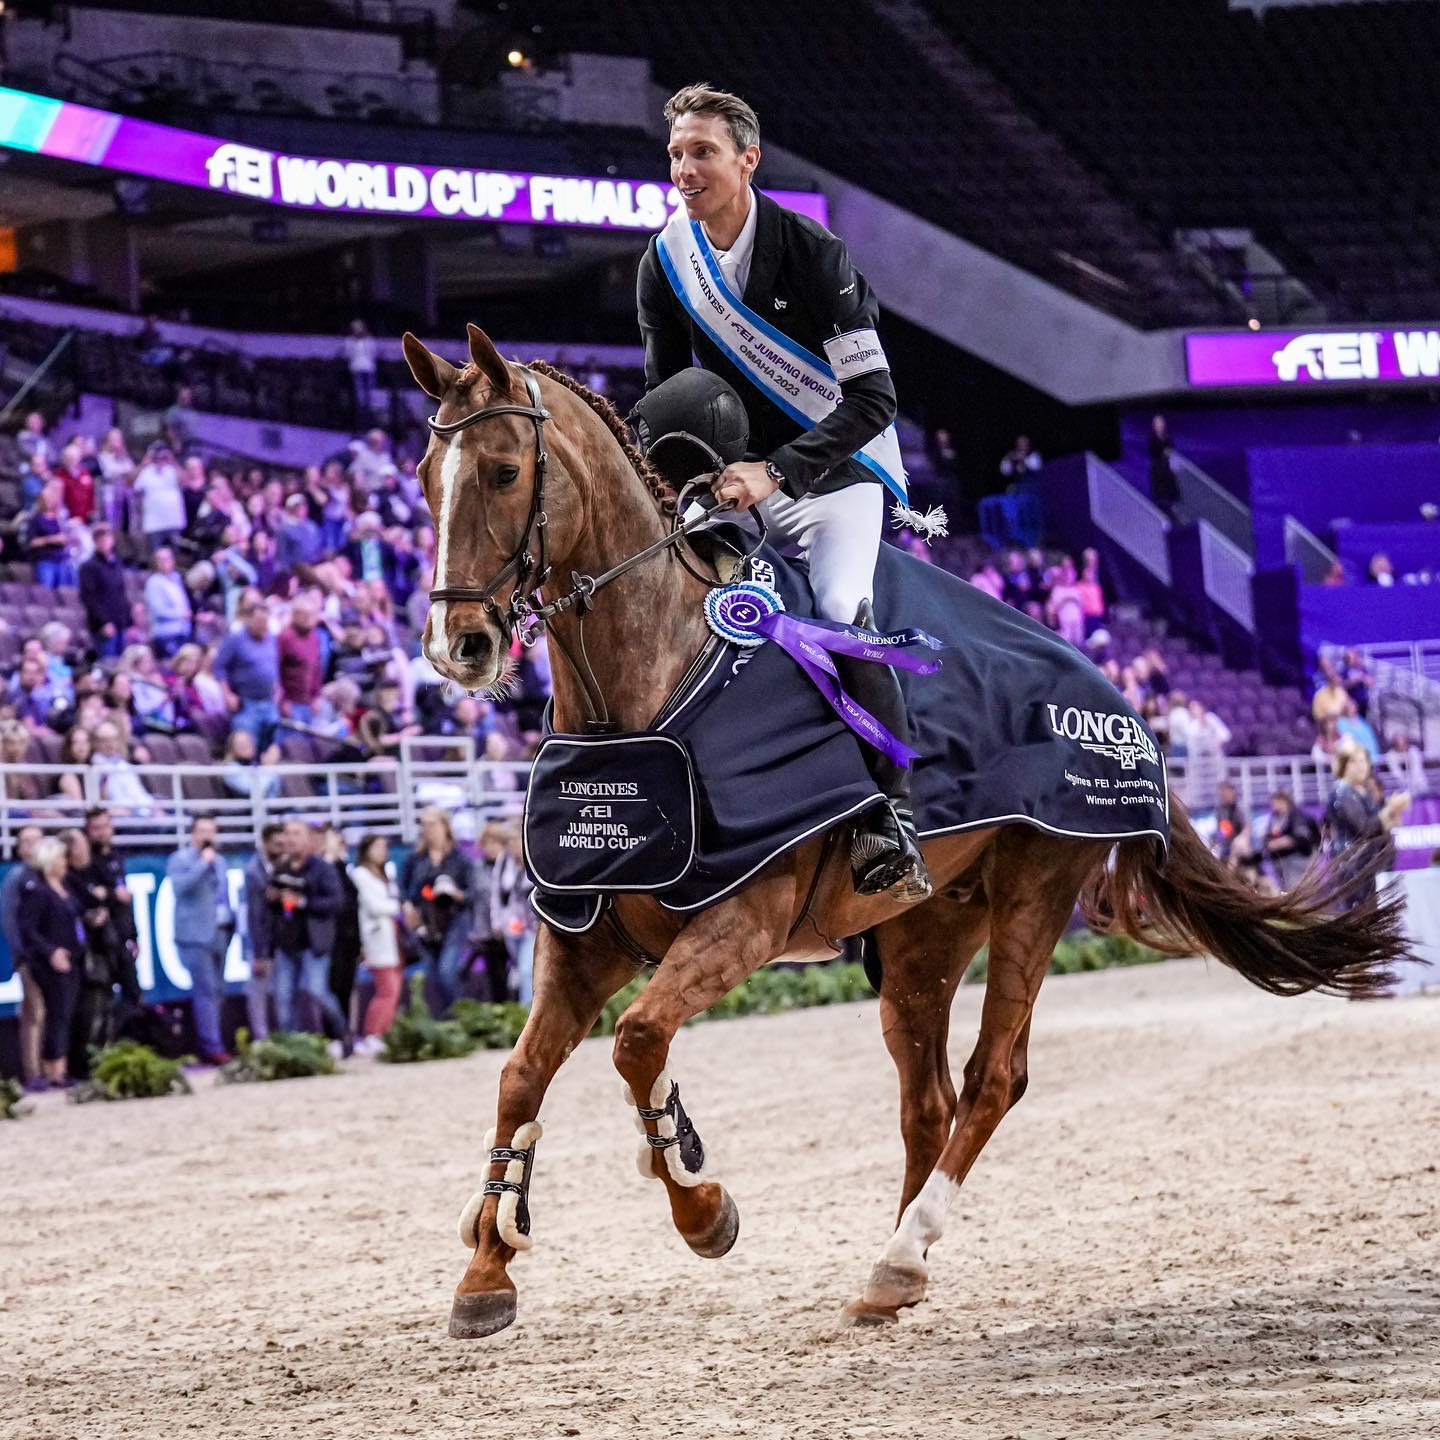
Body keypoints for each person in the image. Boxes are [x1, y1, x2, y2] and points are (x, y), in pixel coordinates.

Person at [634, 83, 927, 902]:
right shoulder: (665, 259)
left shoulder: (815, 253)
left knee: (837, 609)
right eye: (675, 154)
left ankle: (888, 816)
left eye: (702, 152)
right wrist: (692, 480)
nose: (683, 169)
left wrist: (777, 473)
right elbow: (666, 395)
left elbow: (875, 401)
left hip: (837, 471)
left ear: (747, 159)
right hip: (733, 478)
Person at [268, 820, 350, 1050]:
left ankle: (343, 1031)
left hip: (313, 943)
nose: (290, 838)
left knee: (317, 992)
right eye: (287, 833)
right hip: (286, 942)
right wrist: (274, 898)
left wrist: (303, 902)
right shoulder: (280, 868)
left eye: (296, 833)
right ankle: (290, 1049)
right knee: (283, 998)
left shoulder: (323, 869)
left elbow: (336, 902)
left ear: (309, 840)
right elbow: (272, 908)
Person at [166, 814, 235, 1065]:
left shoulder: (221, 861)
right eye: (203, 830)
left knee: (218, 990)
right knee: (205, 991)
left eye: (211, 830)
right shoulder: (181, 859)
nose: (207, 835)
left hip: (221, 930)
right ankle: (212, 1046)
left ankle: (216, 1040)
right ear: (192, 834)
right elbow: (179, 887)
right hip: (195, 934)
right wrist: (202, 864)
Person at [16, 836, 84, 1088]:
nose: (66, 861)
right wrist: (51, 952)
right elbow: (28, 928)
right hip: (49, 962)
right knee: (56, 1014)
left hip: (72, 958)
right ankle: (52, 1070)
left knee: (65, 1014)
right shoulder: (39, 891)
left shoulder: (66, 887)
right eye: (61, 857)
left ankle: (60, 1068)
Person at [400, 807, 471, 1012]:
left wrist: (455, 893)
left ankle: (460, 1016)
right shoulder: (415, 859)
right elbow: (404, 890)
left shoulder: (459, 858)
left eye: (432, 824)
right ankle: (447, 1021)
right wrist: (407, 906)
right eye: (423, 825)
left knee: (447, 971)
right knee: (432, 975)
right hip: (425, 922)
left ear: (444, 826)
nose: (427, 829)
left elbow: (472, 894)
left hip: (454, 919)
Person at [82, 807, 142, 1042]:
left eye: (104, 826)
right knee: (102, 997)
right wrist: (112, 894)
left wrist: (134, 935)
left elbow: (125, 902)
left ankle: (118, 1042)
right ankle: (103, 1046)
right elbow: (91, 894)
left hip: (121, 936)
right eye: (95, 828)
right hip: (100, 943)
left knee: (133, 994)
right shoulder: (86, 861)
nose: (100, 832)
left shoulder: (116, 856)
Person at [1, 825, 48, 1092]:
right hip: (29, 956)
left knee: (44, 1012)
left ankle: (46, 1067)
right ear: (19, 848)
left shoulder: (45, 874)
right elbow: (9, 919)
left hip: (46, 954)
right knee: (34, 1012)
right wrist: (21, 954)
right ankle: (32, 1071)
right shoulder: (17, 877)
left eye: (37, 840)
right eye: (26, 841)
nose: (32, 846)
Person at [351, 833, 403, 1053]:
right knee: (387, 989)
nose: (383, 851)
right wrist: (397, 906)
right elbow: (375, 906)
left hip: (393, 936)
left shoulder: (386, 874)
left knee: (395, 988)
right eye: (378, 847)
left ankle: (384, 1030)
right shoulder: (360, 874)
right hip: (377, 938)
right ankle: (372, 1032)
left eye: (384, 847)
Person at [240, 822, 286, 1043]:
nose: (282, 848)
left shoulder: (286, 866)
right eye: (277, 844)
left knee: (283, 992)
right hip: (263, 939)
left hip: (284, 938)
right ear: (265, 844)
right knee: (258, 991)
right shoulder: (254, 871)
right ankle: (261, 1039)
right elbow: (255, 916)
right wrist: (259, 952)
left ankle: (285, 1038)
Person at [214, 601, 280, 749]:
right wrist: (227, 694)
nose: (263, 624)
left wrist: (277, 689)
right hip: (245, 705)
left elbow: (274, 667)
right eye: (259, 621)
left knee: (270, 748)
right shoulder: (235, 639)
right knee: (247, 747)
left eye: (265, 620)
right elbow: (219, 667)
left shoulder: (271, 640)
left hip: (269, 703)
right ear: (249, 619)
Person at [320, 825, 362, 1027]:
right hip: (331, 939)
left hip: (350, 937)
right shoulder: (322, 868)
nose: (339, 841)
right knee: (332, 987)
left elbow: (353, 904)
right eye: (333, 837)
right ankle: (335, 1033)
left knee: (346, 987)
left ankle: (346, 1032)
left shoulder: (343, 868)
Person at [79, 523, 132, 659]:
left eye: (107, 538)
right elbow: (89, 598)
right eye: (100, 540)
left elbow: (121, 593)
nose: (104, 543)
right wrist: (103, 622)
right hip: (104, 626)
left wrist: (128, 620)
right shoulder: (88, 567)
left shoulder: (116, 564)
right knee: (108, 663)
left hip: (120, 623)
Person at [278, 594, 325, 725]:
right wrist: (282, 700)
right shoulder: (285, 637)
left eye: (312, 614)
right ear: (294, 615)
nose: (308, 618)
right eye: (303, 614)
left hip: (309, 703)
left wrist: (317, 696)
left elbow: (316, 667)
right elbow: (275, 670)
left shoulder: (314, 636)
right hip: (291, 703)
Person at [1259, 791, 1319, 892]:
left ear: (1284, 801)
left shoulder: (1296, 815)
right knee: (1285, 889)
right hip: (1280, 860)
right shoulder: (1275, 817)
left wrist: (1277, 843)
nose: (1272, 805)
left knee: (1296, 890)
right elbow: (1271, 834)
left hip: (1297, 858)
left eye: (1275, 802)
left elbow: (1300, 837)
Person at [133, 443, 186, 552]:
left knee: (175, 557)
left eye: (163, 455)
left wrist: (172, 460)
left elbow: (185, 481)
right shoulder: (146, 471)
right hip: (153, 524)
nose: (160, 458)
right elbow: (130, 483)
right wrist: (144, 463)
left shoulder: (172, 470)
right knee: (156, 557)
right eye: (157, 455)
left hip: (173, 522)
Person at [144, 547, 192, 659]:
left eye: (168, 558)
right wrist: (181, 614)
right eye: (161, 559)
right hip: (166, 633)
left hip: (183, 630)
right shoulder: (153, 582)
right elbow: (158, 610)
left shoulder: (176, 577)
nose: (165, 562)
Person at [344, 319, 377, 418]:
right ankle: (361, 412)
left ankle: (370, 411)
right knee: (360, 393)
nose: (357, 330)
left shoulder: (369, 340)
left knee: (370, 392)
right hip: (356, 368)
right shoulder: (349, 341)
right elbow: (348, 354)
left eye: (359, 327)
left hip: (368, 368)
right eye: (355, 328)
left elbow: (373, 353)